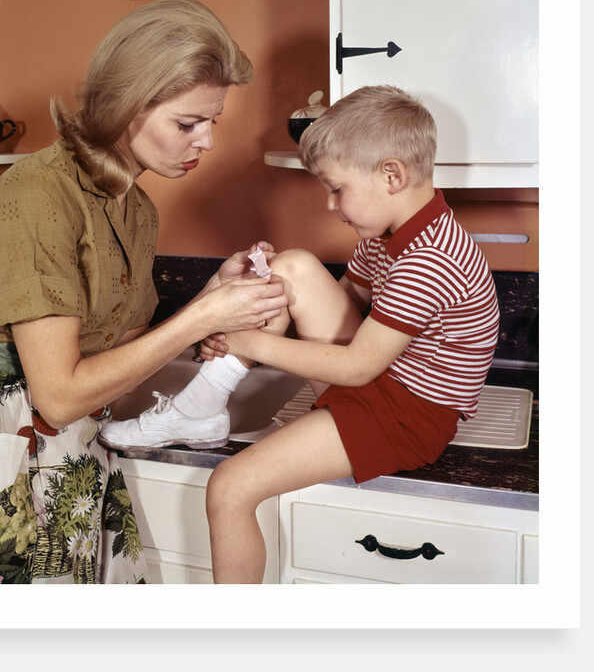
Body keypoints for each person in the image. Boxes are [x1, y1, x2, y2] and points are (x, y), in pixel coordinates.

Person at [99, 85, 500, 584]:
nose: (331, 206)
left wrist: (251, 343)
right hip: (385, 384)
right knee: (292, 266)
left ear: (391, 175)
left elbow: (357, 366)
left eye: (336, 188)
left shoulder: (430, 260)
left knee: (230, 486)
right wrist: (256, 305)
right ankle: (204, 402)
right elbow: (345, 298)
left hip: (405, 417)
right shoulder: (391, 234)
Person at [0, 0, 288, 584]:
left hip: (75, 460)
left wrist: (208, 301)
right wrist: (199, 320)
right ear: (126, 105)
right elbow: (58, 395)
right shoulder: (35, 197)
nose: (206, 142)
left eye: (212, 123)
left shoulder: (136, 206)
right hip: (2, 469)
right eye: (187, 123)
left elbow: (112, 360)